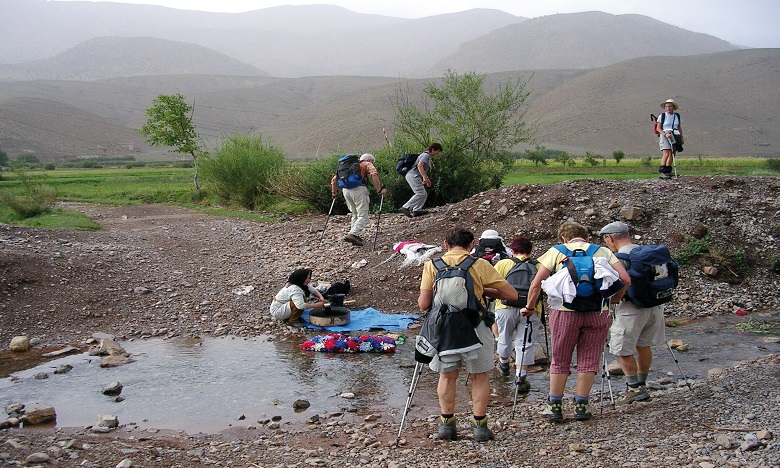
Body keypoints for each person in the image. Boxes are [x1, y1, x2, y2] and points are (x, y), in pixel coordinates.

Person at [522, 221, 630, 421]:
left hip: (565, 311)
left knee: (561, 358)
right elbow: (625, 279)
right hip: (598, 311)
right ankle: (581, 406)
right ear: (587, 238)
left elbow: (536, 284)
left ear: (564, 238)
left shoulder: (556, 251)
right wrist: (614, 300)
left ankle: (555, 407)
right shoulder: (602, 251)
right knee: (589, 359)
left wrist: (529, 307)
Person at [417, 228, 518, 442]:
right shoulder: (480, 264)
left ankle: (447, 425)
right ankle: (480, 427)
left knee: (447, 375)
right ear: (472, 244)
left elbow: (424, 304)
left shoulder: (432, 265)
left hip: (444, 329)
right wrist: (481, 290)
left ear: (445, 244)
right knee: (480, 375)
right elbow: (511, 294)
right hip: (476, 326)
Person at [599, 221, 666, 405]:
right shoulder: (648, 252)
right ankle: (642, 383)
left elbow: (611, 286)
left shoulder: (620, 258)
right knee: (643, 345)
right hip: (656, 306)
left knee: (622, 348)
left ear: (610, 238)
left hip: (631, 309)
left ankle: (634, 389)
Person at [492, 235, 541, 393]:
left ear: (512, 250)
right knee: (525, 342)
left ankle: (504, 364)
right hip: (530, 308)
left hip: (504, 306)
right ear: (530, 250)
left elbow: (492, 284)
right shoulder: (539, 265)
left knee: (504, 336)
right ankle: (521, 377)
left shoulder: (503, 264)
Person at [330, 153, 387, 246]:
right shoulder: (366, 164)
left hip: (346, 191)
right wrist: (379, 189)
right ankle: (353, 234)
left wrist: (334, 193)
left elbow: (333, 181)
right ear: (370, 160)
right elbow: (374, 174)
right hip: (359, 189)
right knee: (363, 215)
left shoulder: (347, 166)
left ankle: (354, 235)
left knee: (355, 214)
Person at [398, 143, 442, 218]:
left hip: (412, 175)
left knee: (423, 194)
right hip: (413, 175)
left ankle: (417, 210)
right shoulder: (426, 155)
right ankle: (406, 207)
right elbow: (420, 166)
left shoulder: (425, 155)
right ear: (434, 149)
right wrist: (424, 177)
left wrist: (426, 179)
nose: (437, 154)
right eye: (438, 151)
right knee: (420, 193)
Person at [656, 99, 684, 179]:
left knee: (673, 153)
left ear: (673, 107)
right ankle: (662, 171)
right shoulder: (662, 116)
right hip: (665, 134)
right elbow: (658, 128)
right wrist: (665, 134)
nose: (668, 108)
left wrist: (681, 137)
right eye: (667, 106)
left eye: (670, 106)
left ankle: (668, 171)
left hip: (675, 134)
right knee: (666, 153)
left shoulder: (677, 116)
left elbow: (679, 127)